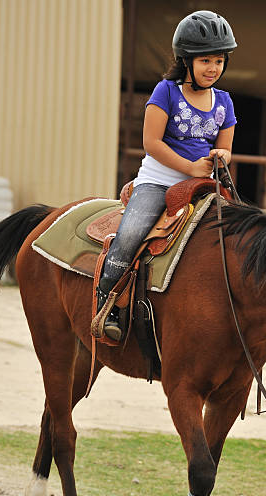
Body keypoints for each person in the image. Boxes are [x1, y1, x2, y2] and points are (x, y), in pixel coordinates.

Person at [96, 10, 237, 340]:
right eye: (205, 60)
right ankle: (109, 303)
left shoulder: (225, 102)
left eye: (219, 60)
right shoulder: (166, 92)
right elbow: (151, 142)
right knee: (130, 237)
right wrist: (188, 167)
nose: (213, 68)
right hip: (159, 182)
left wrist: (220, 155)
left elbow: (226, 148)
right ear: (186, 60)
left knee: (239, 238)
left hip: (203, 185)